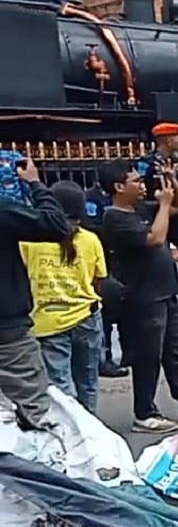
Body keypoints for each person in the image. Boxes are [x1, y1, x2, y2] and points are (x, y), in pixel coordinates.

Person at [99, 159, 178, 433]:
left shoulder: (142, 209)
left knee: (174, 353)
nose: (142, 185)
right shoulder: (115, 217)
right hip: (143, 297)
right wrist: (164, 204)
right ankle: (144, 413)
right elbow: (154, 238)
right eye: (135, 181)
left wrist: (171, 180)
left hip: (166, 291)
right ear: (119, 187)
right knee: (148, 357)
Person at [20, 181, 107, 414]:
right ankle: (90, 426)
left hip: (48, 321)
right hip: (87, 317)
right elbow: (98, 280)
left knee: (60, 386)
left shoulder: (29, 241)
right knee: (88, 382)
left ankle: (70, 429)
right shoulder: (90, 240)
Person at [1, 154, 70, 427]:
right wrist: (35, 184)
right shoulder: (4, 212)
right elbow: (56, 224)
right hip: (8, 333)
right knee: (35, 415)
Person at [83, 180, 128, 378]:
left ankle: (129, 354)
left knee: (126, 310)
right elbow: (91, 226)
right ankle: (104, 358)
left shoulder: (122, 199)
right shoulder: (91, 198)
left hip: (120, 260)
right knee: (105, 314)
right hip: (101, 260)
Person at [137, 122, 178, 261]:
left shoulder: (176, 161)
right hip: (157, 213)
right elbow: (140, 187)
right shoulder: (147, 163)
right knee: (161, 255)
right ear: (168, 141)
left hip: (177, 213)